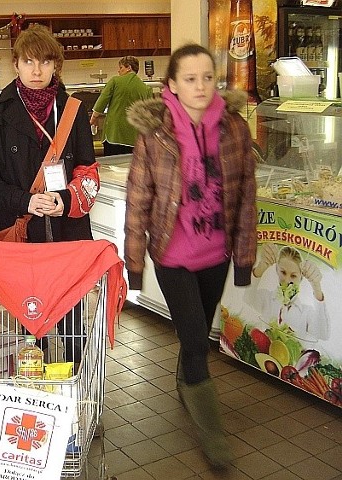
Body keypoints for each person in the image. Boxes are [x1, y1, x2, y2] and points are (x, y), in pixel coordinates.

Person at [124, 44, 257, 469]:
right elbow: (138, 198)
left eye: (207, 78)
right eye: (189, 79)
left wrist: (243, 258)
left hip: (216, 254)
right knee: (198, 339)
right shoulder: (155, 133)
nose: (200, 87)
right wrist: (135, 261)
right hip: (173, 255)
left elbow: (246, 196)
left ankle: (186, 381)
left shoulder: (234, 128)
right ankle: (213, 435)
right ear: (171, 86)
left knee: (196, 334)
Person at [0, 24, 100, 364]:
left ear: (55, 66)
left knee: (73, 322)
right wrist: (25, 201)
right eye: (28, 61)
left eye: (45, 63)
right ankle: (35, 399)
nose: (36, 70)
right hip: (19, 229)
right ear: (16, 64)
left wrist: (67, 199)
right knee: (30, 323)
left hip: (66, 232)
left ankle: (78, 396)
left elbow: (87, 169)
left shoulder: (73, 110)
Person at [250, 243, 330, 340]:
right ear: (276, 270)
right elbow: (246, 299)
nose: (287, 280)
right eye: (283, 272)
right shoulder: (265, 297)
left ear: (301, 277)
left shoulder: (306, 312)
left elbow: (323, 334)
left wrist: (316, 286)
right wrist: (261, 267)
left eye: (293, 276)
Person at [90, 56, 153, 156]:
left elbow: (102, 100)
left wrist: (94, 118)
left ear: (129, 68)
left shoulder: (115, 81)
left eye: (121, 68)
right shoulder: (146, 88)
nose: (118, 71)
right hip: (134, 137)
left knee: (112, 167)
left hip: (114, 135)